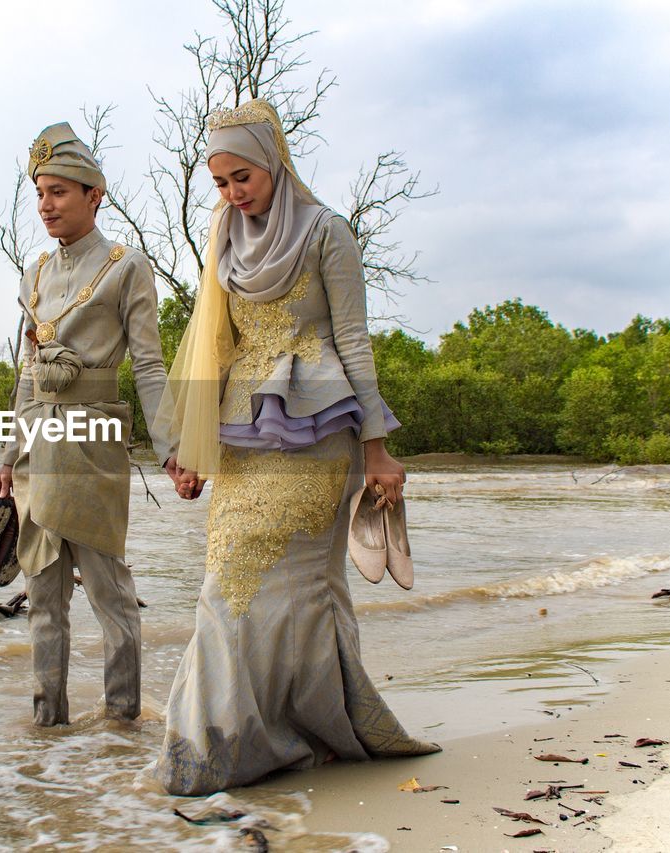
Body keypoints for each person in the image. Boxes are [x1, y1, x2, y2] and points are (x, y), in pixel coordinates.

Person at [153, 99, 440, 795]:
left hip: (320, 436)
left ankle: (258, 739)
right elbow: (215, 341)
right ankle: (251, 737)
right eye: (220, 182)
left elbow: (355, 342)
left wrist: (377, 450)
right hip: (245, 435)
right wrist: (189, 448)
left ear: (274, 159)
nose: (232, 193)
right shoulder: (224, 234)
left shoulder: (327, 233)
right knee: (227, 582)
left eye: (242, 176)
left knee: (303, 589)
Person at [0, 122, 176, 726]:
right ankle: (48, 728)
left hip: (96, 436)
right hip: (39, 443)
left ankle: (122, 723)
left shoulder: (128, 267)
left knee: (108, 590)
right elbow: (27, 371)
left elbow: (148, 364)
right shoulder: (36, 274)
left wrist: (171, 446)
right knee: (43, 593)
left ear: (94, 195)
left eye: (59, 192)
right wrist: (6, 454)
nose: (46, 205)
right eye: (40, 193)